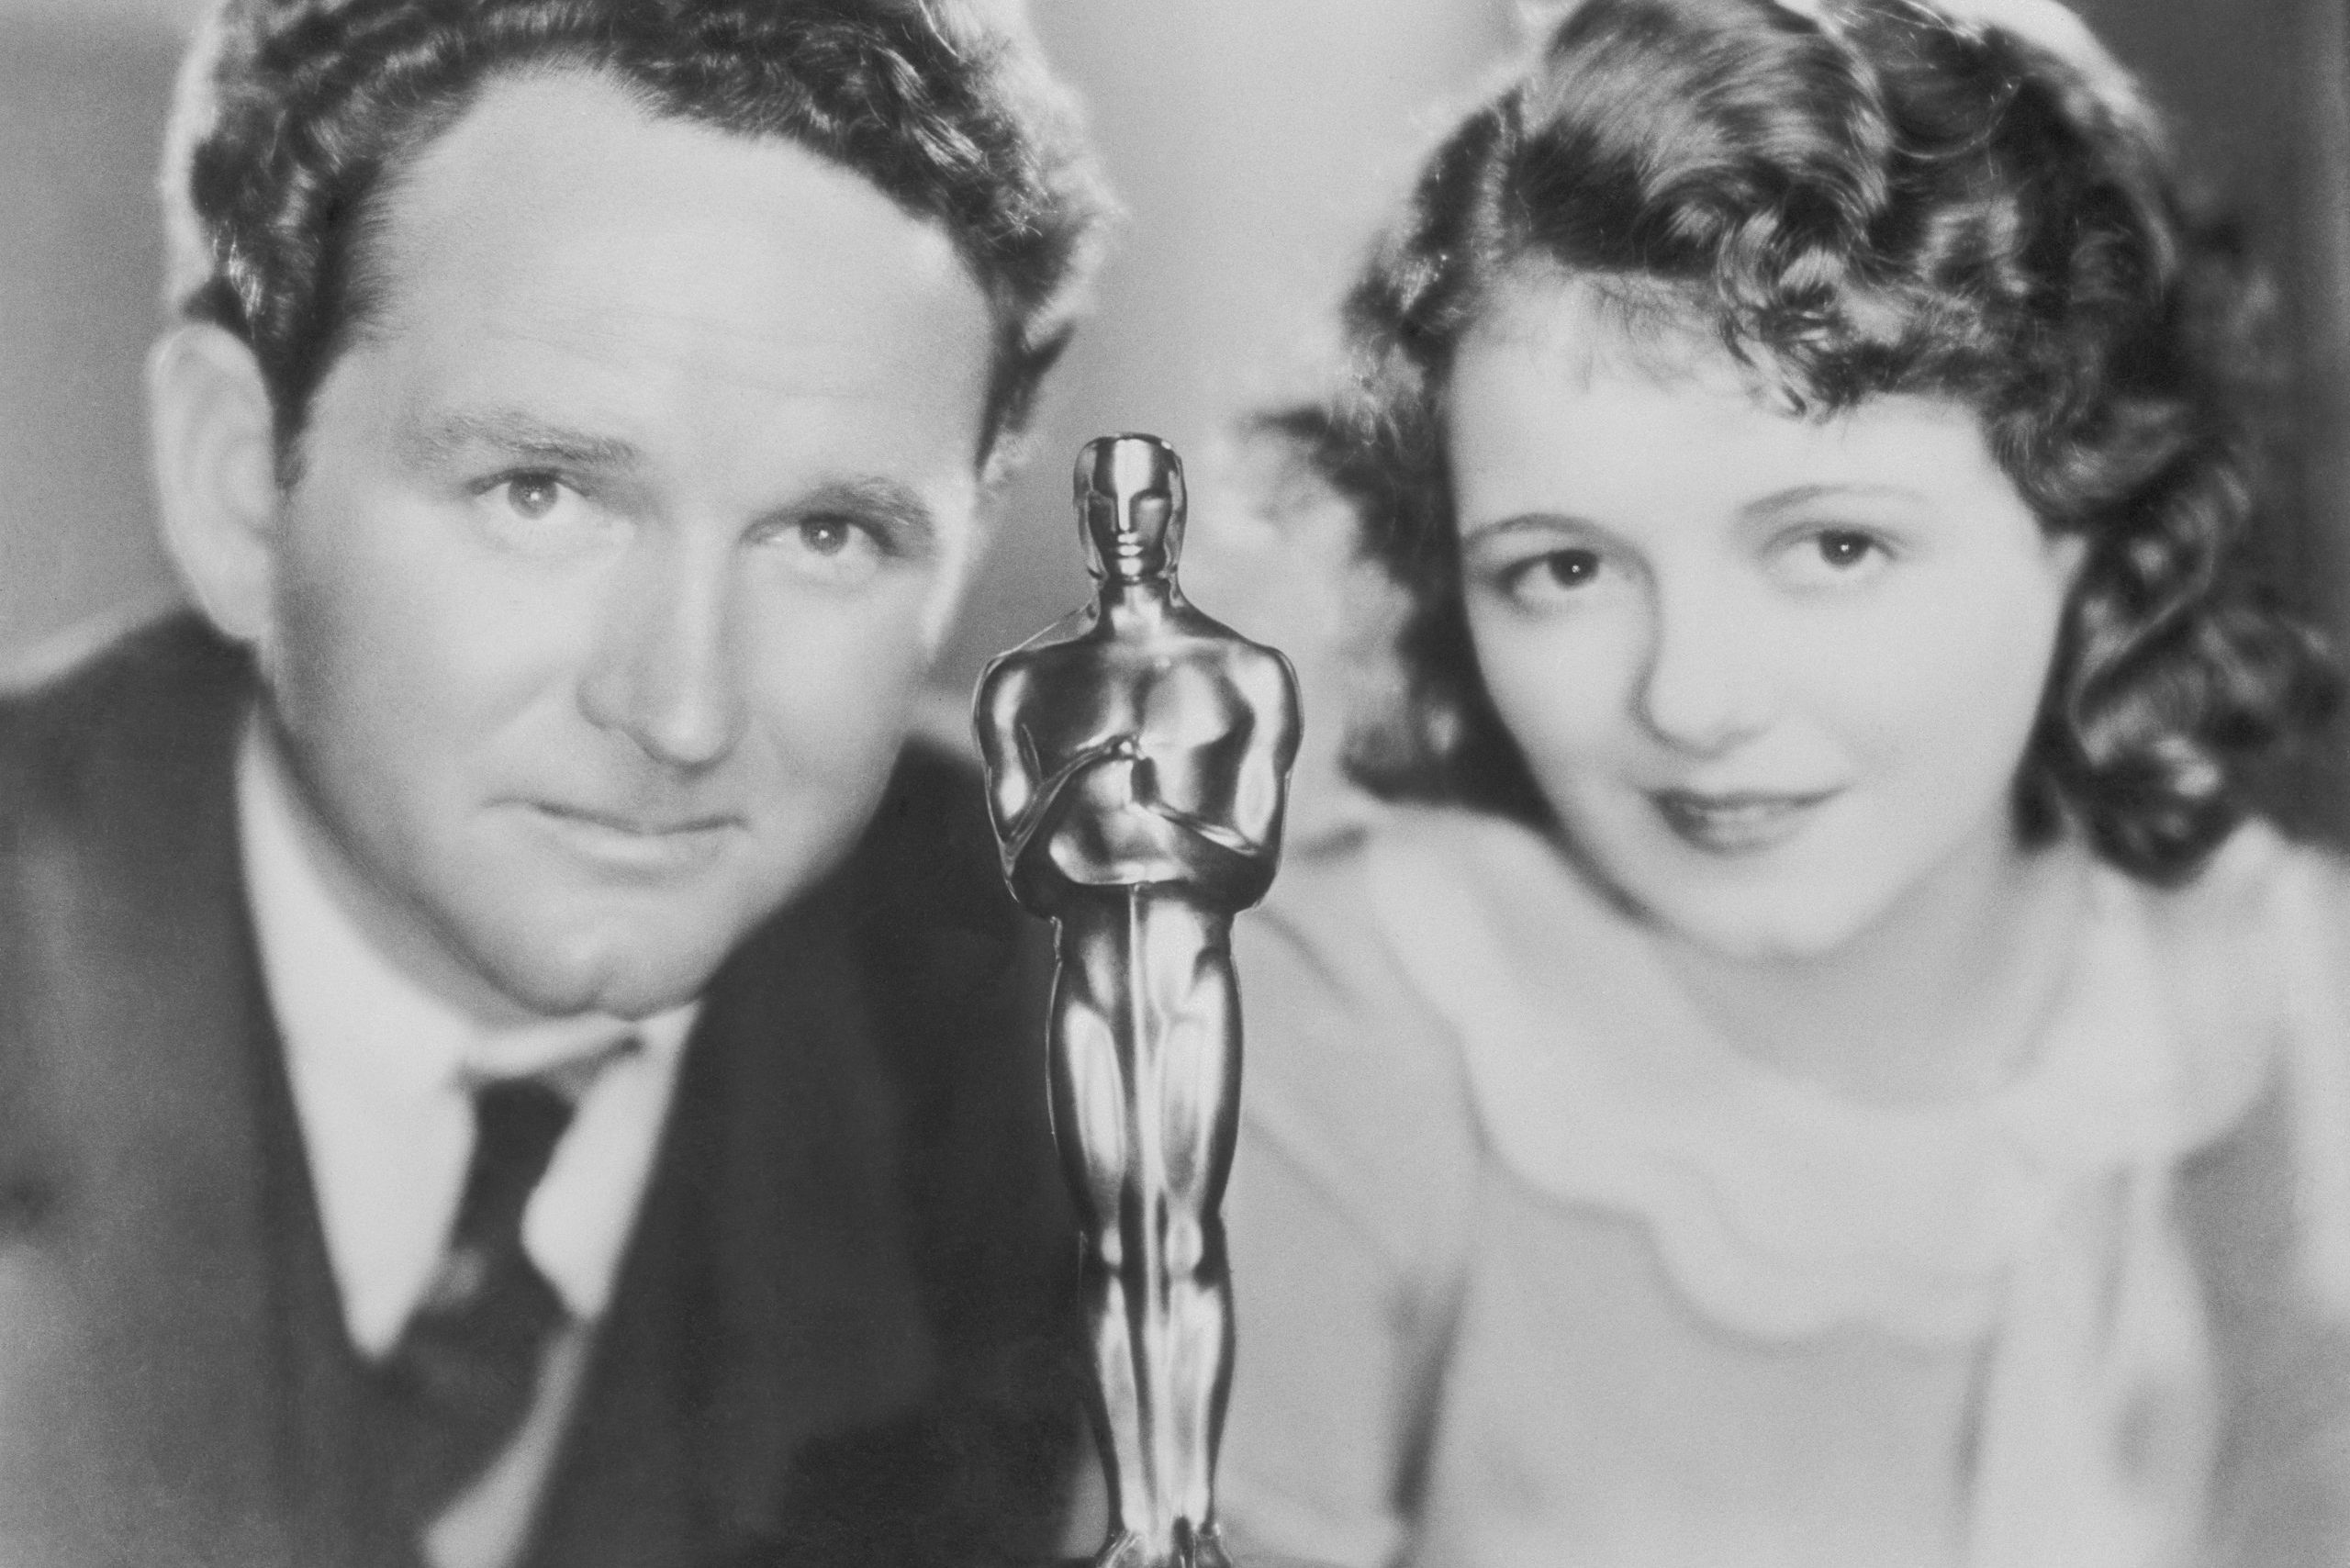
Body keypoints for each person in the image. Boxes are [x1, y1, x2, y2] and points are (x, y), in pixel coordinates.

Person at [1209, 1, 2350, 1564]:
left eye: (1832, 546)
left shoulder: (2266, 993)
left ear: (2085, 512)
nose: (1692, 696)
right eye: (1560, 567)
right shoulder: (1353, 1003)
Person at [0, 3, 1108, 1566]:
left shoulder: (1096, 1050)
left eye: (829, 535)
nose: (680, 707)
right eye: (543, 492)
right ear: (239, 479)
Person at [976, 434, 1302, 1568]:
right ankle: (1133, 1522)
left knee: (1184, 1232)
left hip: (1190, 970)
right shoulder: (1026, 683)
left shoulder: (1242, 672)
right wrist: (1088, 778)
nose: (1122, 520)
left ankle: (1191, 1522)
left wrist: (1135, 812)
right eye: (1100, 498)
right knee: (1113, 1243)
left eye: (1143, 497)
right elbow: (1028, 868)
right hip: (1092, 975)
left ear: (1175, 509)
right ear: (1078, 512)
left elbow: (1246, 858)